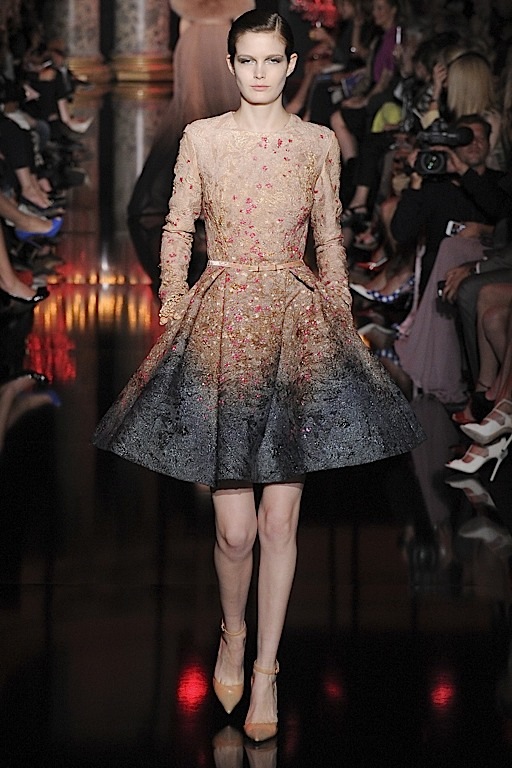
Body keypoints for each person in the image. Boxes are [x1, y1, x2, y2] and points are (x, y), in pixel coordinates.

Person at [93, 10, 424, 742]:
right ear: (232, 63)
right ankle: (233, 632)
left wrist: (338, 319)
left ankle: (268, 666)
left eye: (273, 60)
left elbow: (329, 237)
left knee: (280, 520)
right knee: (235, 531)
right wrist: (174, 305)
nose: (260, 73)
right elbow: (175, 227)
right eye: (248, 60)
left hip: (294, 322)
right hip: (223, 319)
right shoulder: (202, 138)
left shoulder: (316, 144)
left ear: (292, 64)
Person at [127, 0, 255, 289]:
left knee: (196, 119)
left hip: (198, 43)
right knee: (214, 119)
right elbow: (246, 20)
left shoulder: (191, 20)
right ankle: (215, 201)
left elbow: (186, 23)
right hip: (222, 42)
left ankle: (198, 201)